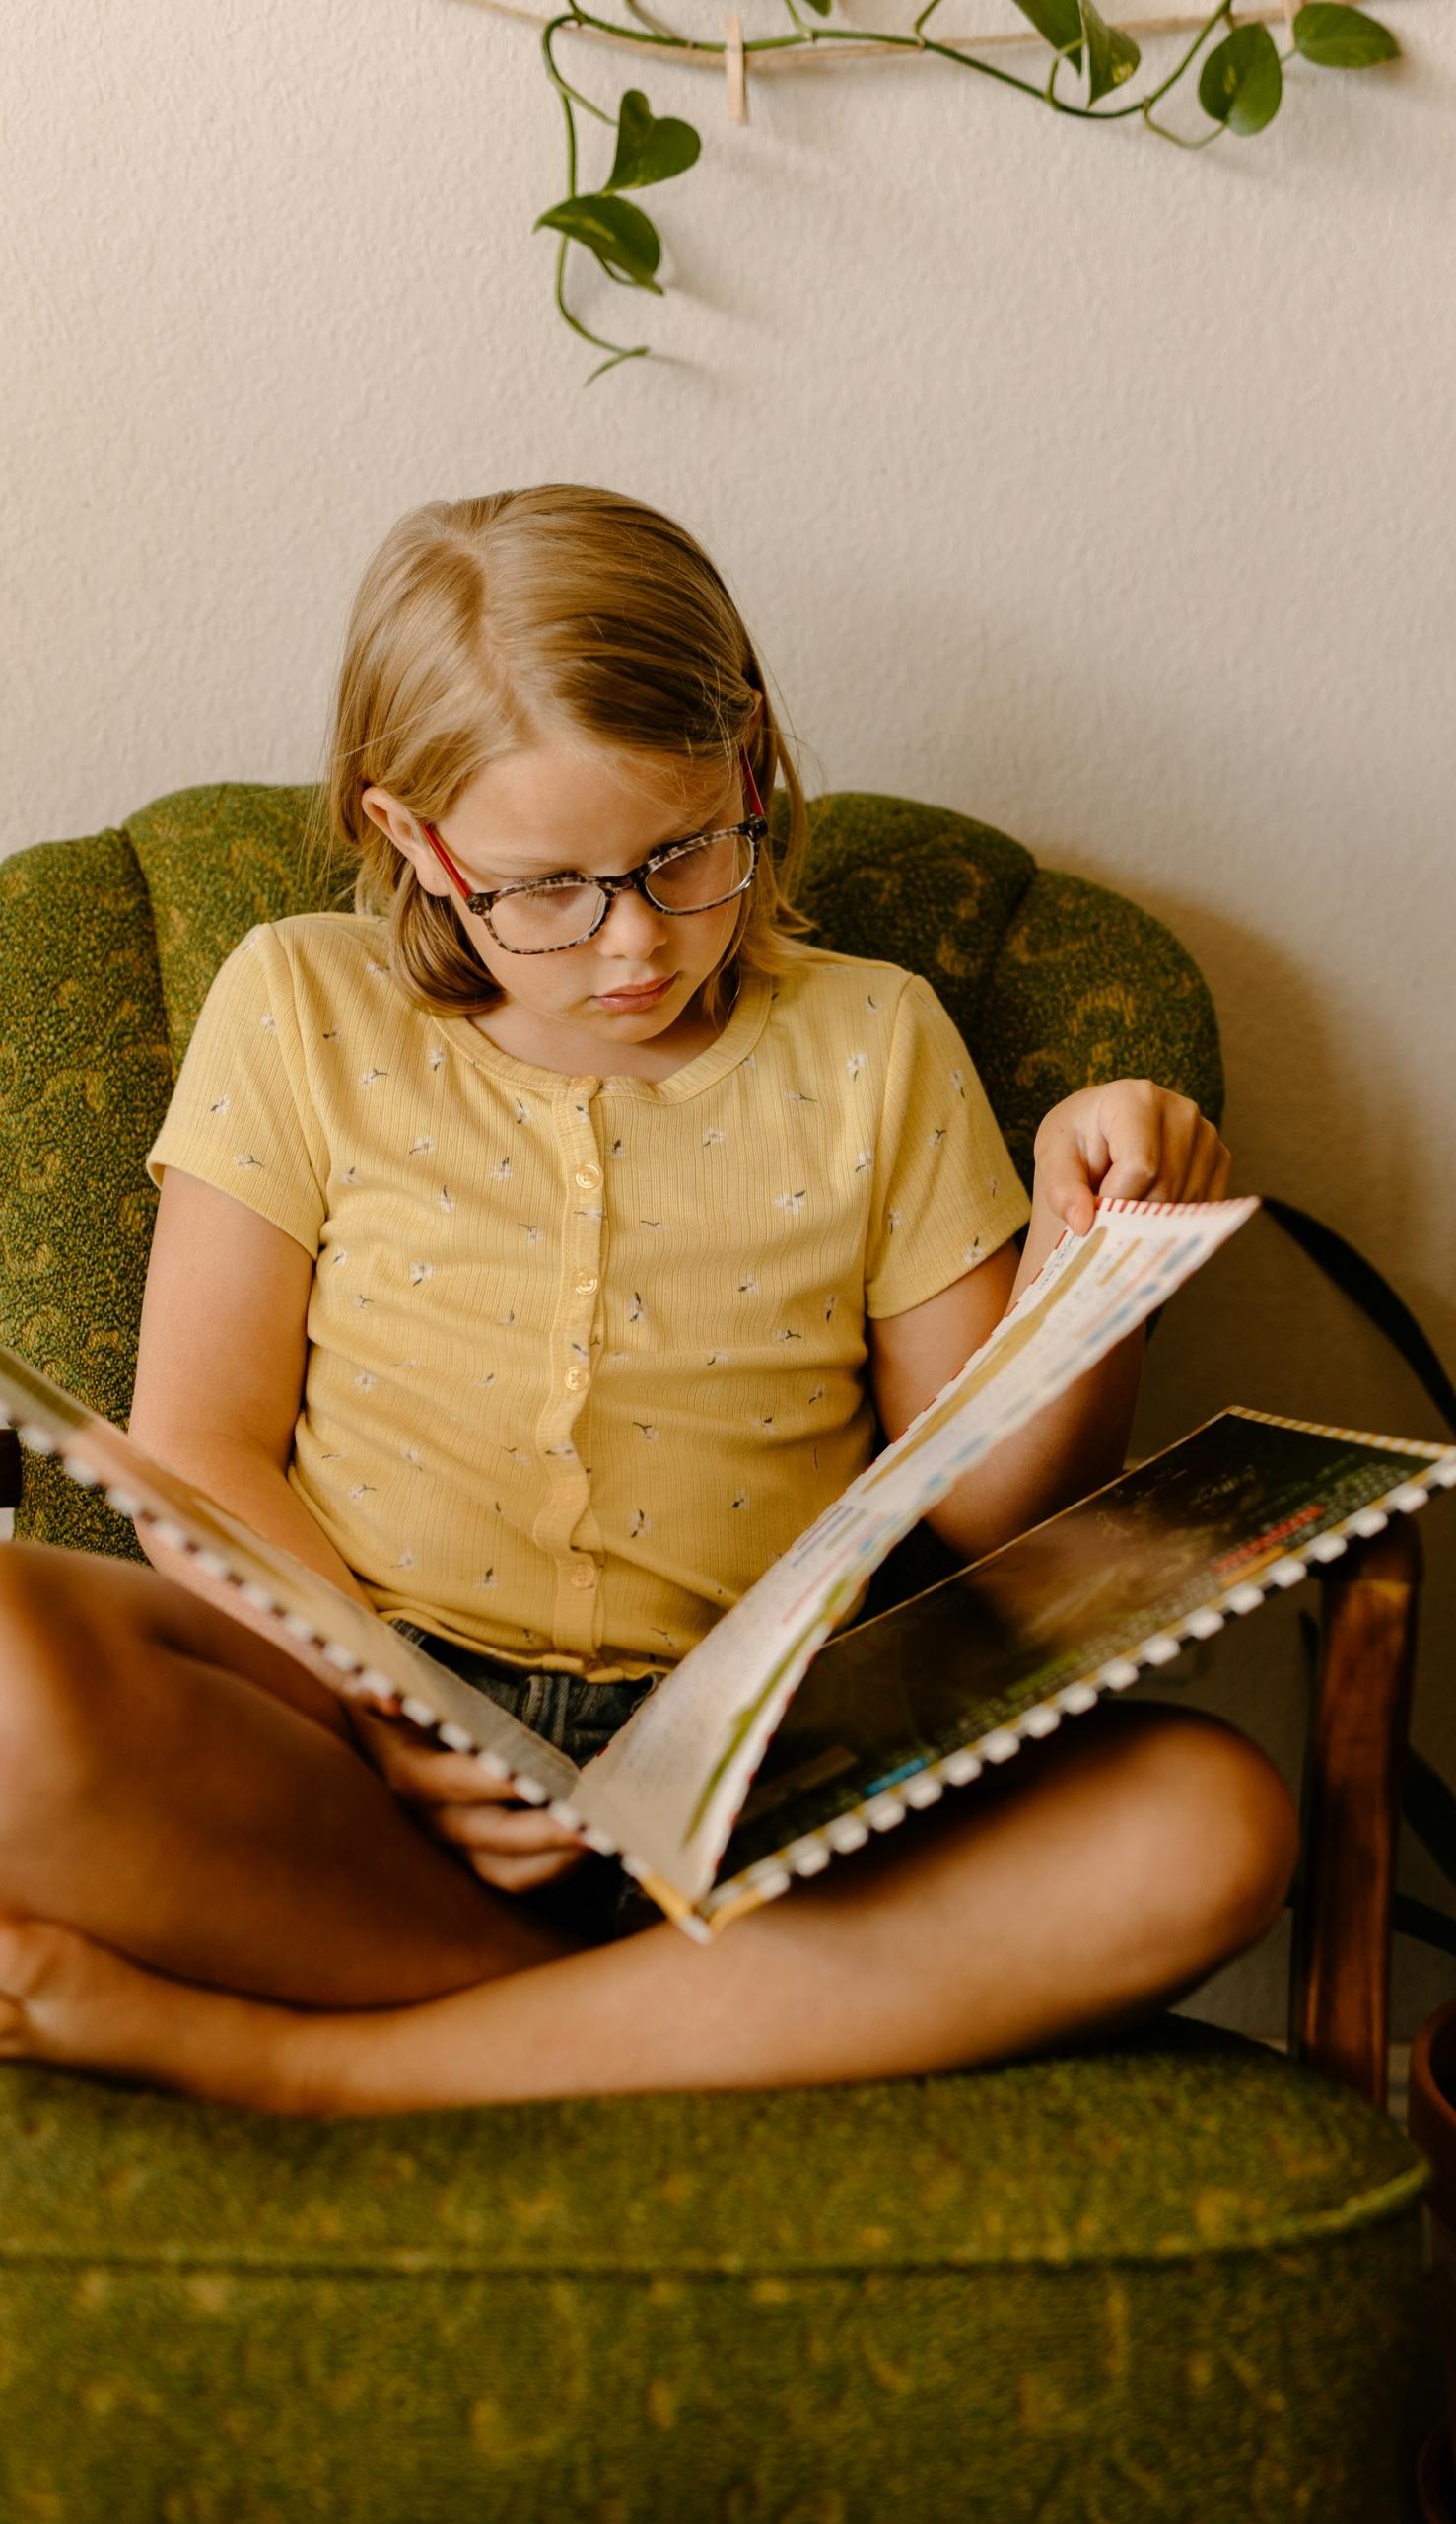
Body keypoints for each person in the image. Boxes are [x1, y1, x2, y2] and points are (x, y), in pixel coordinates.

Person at [0, 484, 1295, 2116]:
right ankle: (665, 2023)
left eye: (682, 857)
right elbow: (203, 1444)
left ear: (748, 770)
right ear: (410, 837)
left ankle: (323, 2063)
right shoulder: (298, 1002)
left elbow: (996, 1514)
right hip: (359, 1755)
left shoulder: (874, 1041)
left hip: (758, 1801)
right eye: (544, 889)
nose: (629, 945)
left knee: (1215, 1820)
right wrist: (392, 1719)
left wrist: (1089, 1261)